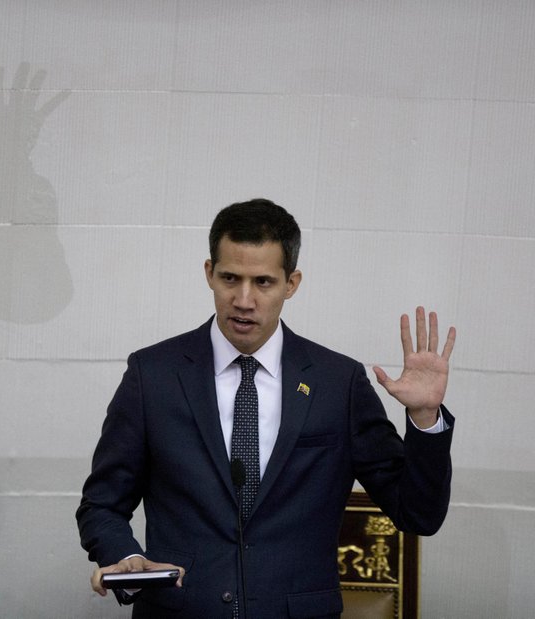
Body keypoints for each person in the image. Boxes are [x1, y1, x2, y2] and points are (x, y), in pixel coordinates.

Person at [76, 198, 456, 618]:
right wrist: (126, 557)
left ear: (291, 283)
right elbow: (102, 504)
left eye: (263, 282)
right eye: (230, 278)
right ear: (209, 274)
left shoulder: (338, 383)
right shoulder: (153, 375)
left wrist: (425, 420)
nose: (243, 299)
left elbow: (418, 513)